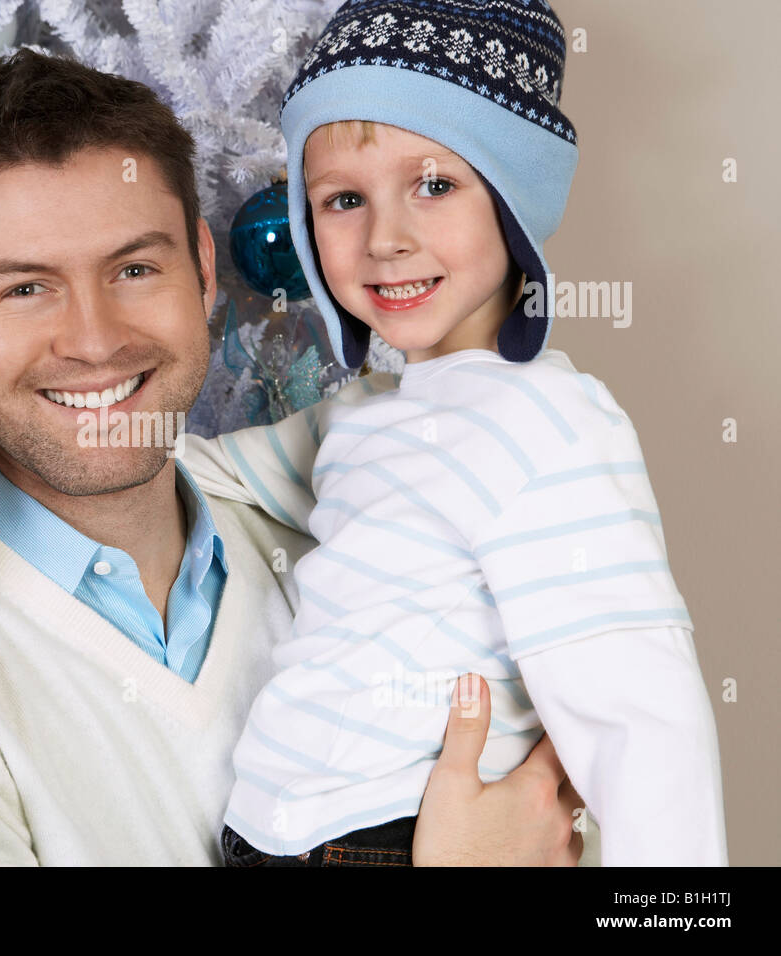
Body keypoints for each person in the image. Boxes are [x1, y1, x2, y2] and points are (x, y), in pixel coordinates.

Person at [0, 49, 587, 866]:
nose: (94, 340)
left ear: (201, 269)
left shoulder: (350, 542)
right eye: (24, 289)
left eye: (134, 268)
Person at [175, 0, 726, 866]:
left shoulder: (548, 422)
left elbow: (641, 713)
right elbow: (196, 470)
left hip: (397, 838)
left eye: (434, 185)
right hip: (271, 837)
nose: (386, 239)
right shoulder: (359, 417)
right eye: (343, 200)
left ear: (512, 198)